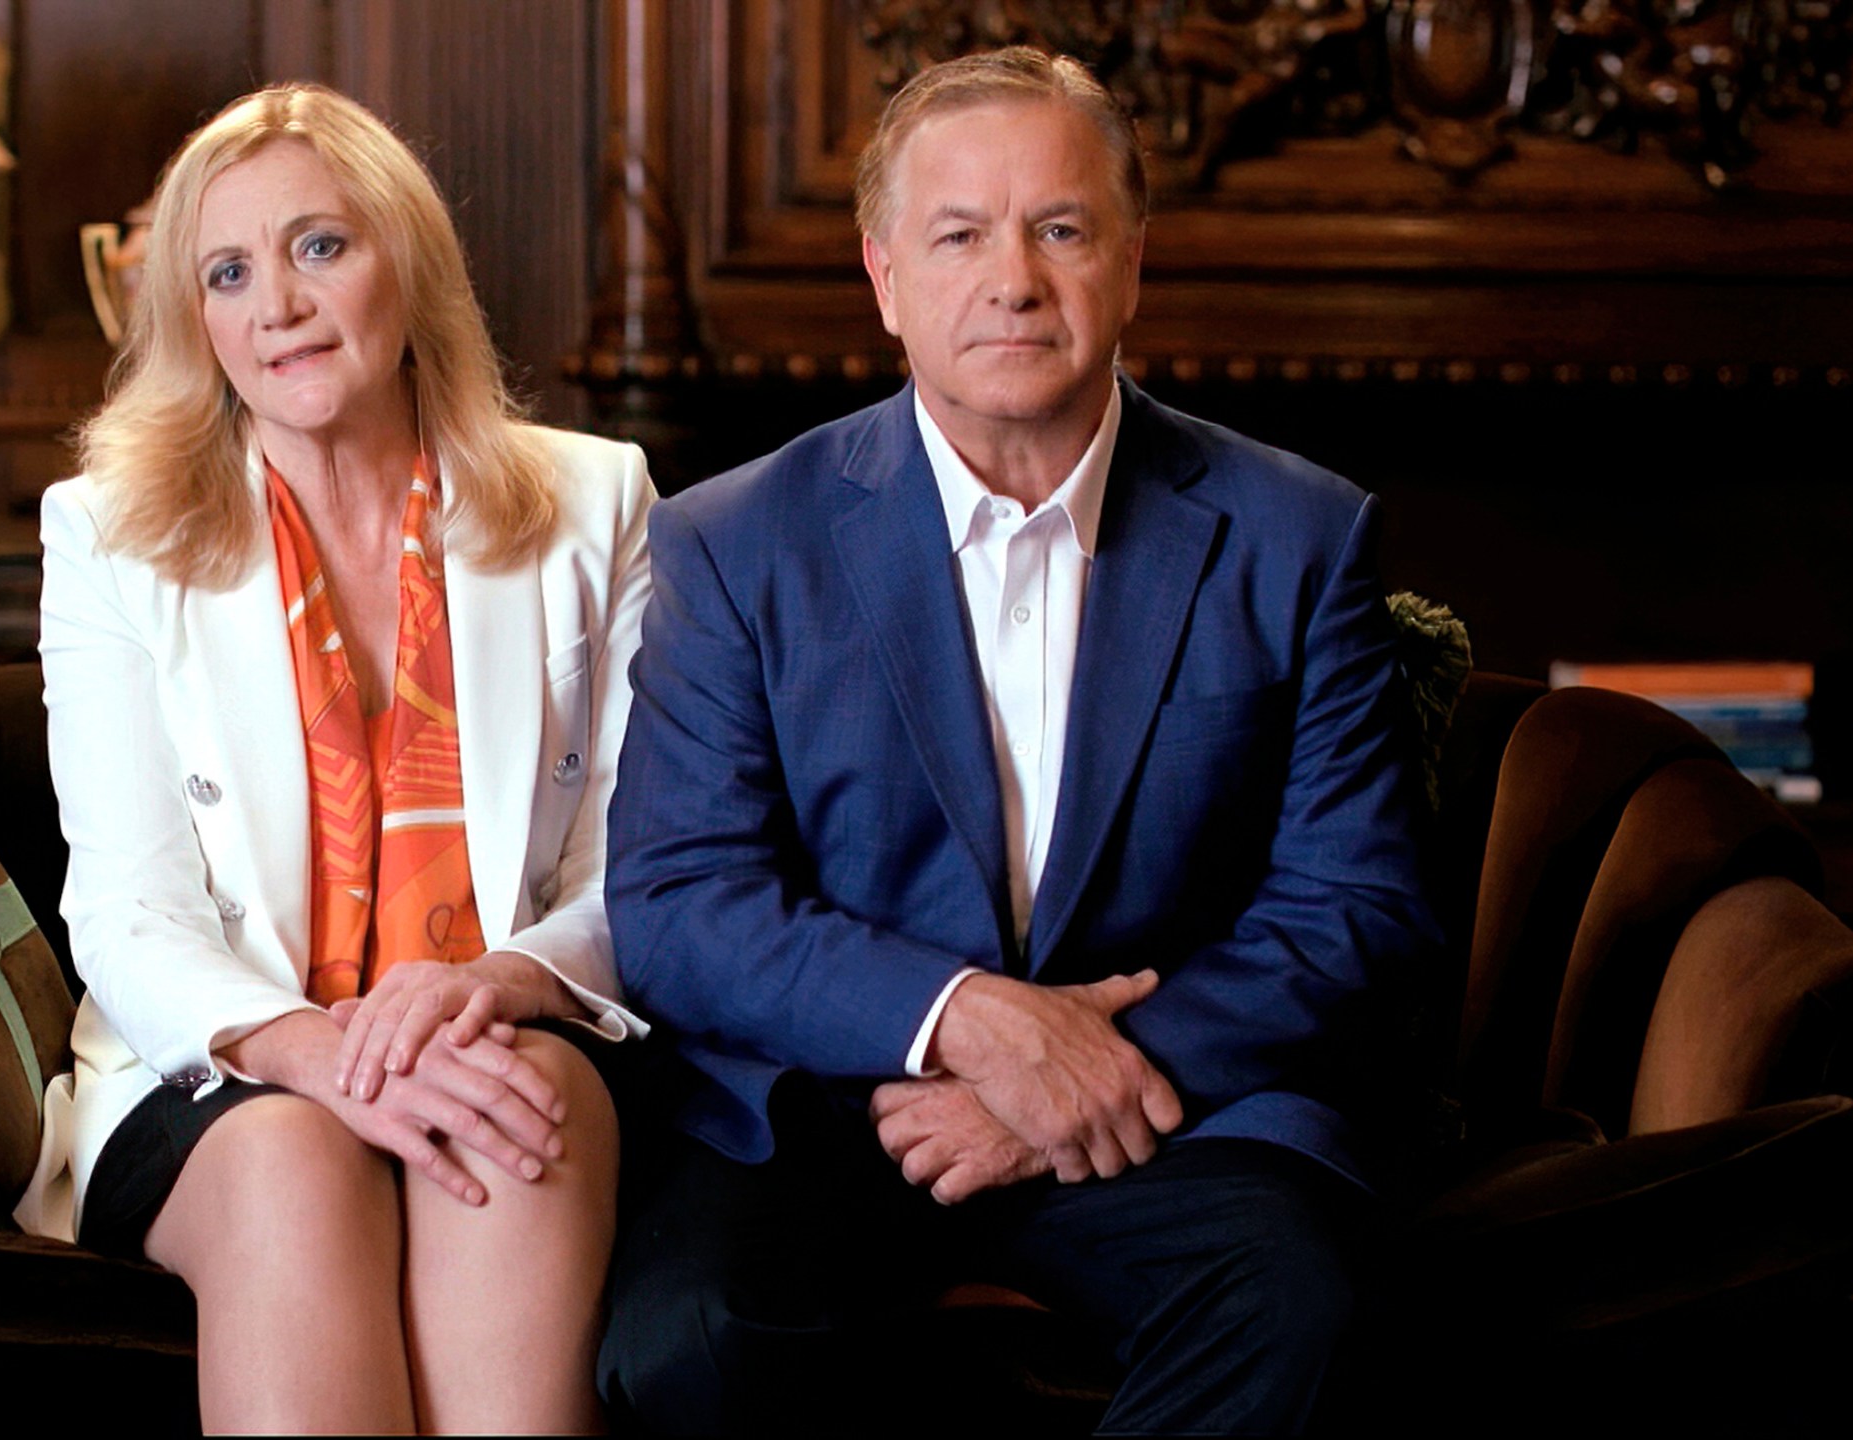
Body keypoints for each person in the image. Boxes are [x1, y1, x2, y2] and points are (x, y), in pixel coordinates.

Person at [598, 46, 1439, 1435]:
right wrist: (967, 1026)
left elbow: (1355, 907)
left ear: (1132, 261)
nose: (1014, 280)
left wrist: (1070, 1081)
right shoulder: (735, 541)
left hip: (1167, 1106)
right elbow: (684, 905)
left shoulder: (1296, 536)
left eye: (1060, 229)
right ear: (884, 278)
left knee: (1300, 1302)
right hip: (843, 1105)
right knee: (684, 1340)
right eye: (959, 236)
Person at [17, 83, 653, 1434]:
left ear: (406, 261)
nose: (280, 307)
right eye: (229, 274)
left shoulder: (596, 502)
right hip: (225, 1065)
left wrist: (490, 987)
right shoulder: (109, 534)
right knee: (295, 1158)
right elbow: (127, 909)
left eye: (320, 247)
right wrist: (320, 1052)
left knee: (510, 1107)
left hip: (501, 1028)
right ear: (194, 319)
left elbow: (643, 870)